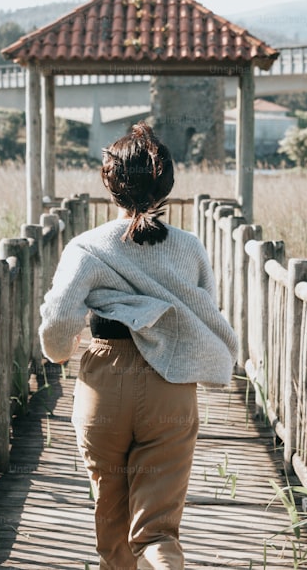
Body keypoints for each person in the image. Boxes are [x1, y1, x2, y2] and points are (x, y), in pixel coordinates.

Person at [39, 121, 238, 569]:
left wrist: (59, 353)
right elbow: (204, 311)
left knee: (111, 519)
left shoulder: (87, 247)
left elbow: (58, 320)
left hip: (104, 383)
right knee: (158, 531)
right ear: (166, 185)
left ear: (110, 184)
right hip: (170, 382)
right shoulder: (189, 247)